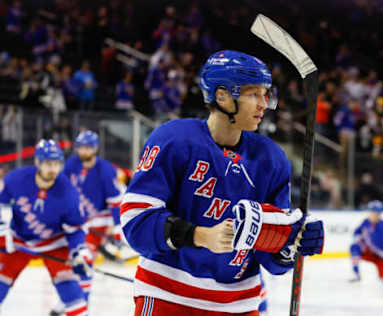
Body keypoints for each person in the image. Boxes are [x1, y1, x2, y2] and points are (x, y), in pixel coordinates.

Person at [120, 50, 325, 315]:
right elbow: (136, 221)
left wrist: (291, 243)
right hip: (167, 295)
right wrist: (200, 236)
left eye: (266, 94)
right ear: (222, 96)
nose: (263, 104)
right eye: (254, 94)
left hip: (239, 305)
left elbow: (272, 258)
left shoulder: (271, 159)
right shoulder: (174, 139)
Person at [0, 139, 91, 316]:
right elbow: (1, 204)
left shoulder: (69, 192)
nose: (52, 168)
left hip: (53, 243)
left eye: (56, 163)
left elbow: (76, 228)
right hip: (19, 240)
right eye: (48, 163)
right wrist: (3, 231)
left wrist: (78, 252)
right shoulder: (15, 179)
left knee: (73, 295)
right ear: (37, 162)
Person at [50, 130, 125, 315]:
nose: (83, 151)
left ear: (95, 148)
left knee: (83, 261)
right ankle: (68, 299)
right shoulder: (72, 163)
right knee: (67, 262)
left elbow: (115, 203)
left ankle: (83, 304)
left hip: (98, 223)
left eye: (87, 148)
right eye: (80, 147)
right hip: (77, 221)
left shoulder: (106, 170)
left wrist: (117, 229)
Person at [349, 200, 383, 286]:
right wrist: (358, 239)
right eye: (371, 212)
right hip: (371, 252)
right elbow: (357, 232)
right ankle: (356, 273)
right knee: (354, 247)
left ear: (379, 214)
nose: (372, 214)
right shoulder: (366, 222)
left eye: (375, 212)